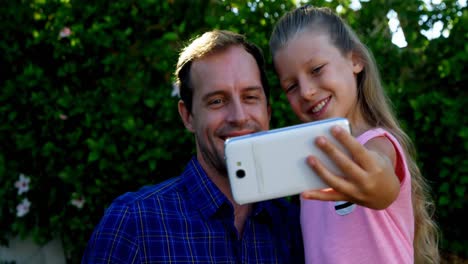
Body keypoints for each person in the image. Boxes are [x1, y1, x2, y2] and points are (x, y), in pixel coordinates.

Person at [82, 30, 304, 263]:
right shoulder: (132, 223)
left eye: (250, 97)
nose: (238, 117)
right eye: (217, 101)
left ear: (267, 112)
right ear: (187, 116)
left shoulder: (292, 225)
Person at [269, 5, 439, 264]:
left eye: (316, 70)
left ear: (355, 60)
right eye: (291, 86)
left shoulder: (378, 143)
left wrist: (377, 184)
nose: (305, 92)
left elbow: (382, 179)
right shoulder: (309, 164)